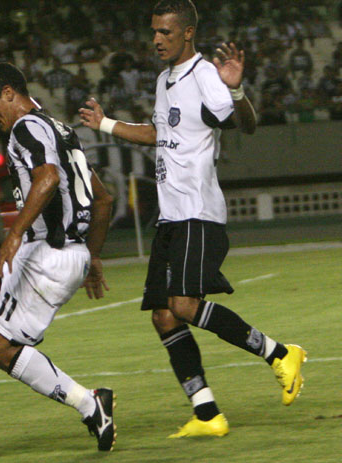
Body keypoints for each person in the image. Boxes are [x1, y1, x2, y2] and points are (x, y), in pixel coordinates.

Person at [79, 0, 306, 438]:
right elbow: (160, 134)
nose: (156, 39)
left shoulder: (205, 75)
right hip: (172, 216)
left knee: (182, 306)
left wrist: (238, 91)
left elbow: (247, 125)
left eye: (165, 32)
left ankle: (279, 354)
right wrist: (105, 124)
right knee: (164, 316)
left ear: (187, 33)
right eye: (154, 32)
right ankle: (207, 415)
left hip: (198, 214)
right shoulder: (165, 79)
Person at [0, 63, 116, 451]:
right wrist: (92, 257)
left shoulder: (25, 128)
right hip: (56, 250)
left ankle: (90, 404)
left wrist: (14, 234)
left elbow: (46, 179)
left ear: (9, 93)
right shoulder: (60, 129)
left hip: (49, 254)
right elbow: (103, 198)